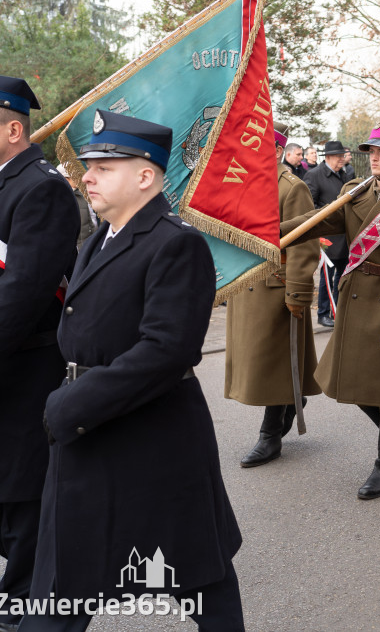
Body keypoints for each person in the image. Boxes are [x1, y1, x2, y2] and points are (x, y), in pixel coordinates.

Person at [22, 110, 244, 631]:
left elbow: (167, 349)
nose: (86, 176)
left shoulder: (175, 243)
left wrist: (72, 402)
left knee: (197, 575)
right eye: (88, 167)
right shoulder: (100, 238)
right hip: (90, 430)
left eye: (104, 165)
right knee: (63, 574)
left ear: (145, 176)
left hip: (152, 436)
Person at [281, 121, 380, 500]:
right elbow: (317, 221)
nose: (375, 157)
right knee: (340, 376)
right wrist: (272, 231)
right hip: (356, 296)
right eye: (370, 151)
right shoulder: (356, 193)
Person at [0, 73, 78, 632]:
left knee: (16, 487)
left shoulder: (39, 187)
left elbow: (21, 292)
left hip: (19, 362)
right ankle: (24, 569)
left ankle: (27, 591)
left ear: (13, 128)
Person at [224, 125, 321, 468]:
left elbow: (304, 243)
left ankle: (270, 437)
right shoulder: (242, 179)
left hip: (275, 286)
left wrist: (297, 292)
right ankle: (289, 404)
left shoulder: (291, 187)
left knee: (274, 362)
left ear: (275, 149)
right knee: (255, 361)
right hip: (246, 284)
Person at [303, 139, 349, 327]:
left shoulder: (344, 175)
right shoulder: (314, 175)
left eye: (343, 156)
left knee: (342, 276)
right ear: (329, 157)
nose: (343, 160)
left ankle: (337, 310)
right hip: (326, 237)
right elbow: (308, 205)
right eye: (339, 157)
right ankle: (323, 313)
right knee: (326, 277)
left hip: (344, 237)